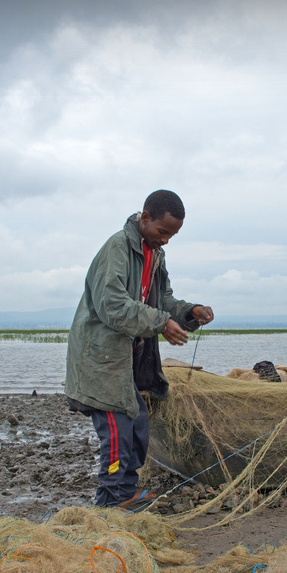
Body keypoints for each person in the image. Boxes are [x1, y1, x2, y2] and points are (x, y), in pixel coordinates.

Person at [66, 189, 215, 508]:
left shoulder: (155, 254)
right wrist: (161, 323)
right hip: (100, 357)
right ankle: (112, 498)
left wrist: (189, 312)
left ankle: (125, 491)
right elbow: (112, 305)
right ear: (145, 218)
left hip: (126, 359)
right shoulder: (117, 248)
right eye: (163, 232)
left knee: (138, 421)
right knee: (118, 429)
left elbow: (164, 301)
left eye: (173, 235)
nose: (166, 240)